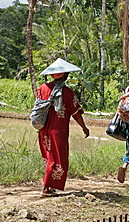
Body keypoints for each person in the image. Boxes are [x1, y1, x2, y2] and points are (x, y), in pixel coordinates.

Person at [36, 58, 90, 197]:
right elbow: (76, 113)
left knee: (49, 156)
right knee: (57, 158)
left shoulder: (42, 88)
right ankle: (46, 188)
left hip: (43, 129)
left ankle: (49, 187)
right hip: (58, 130)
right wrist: (84, 128)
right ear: (65, 75)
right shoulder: (67, 92)